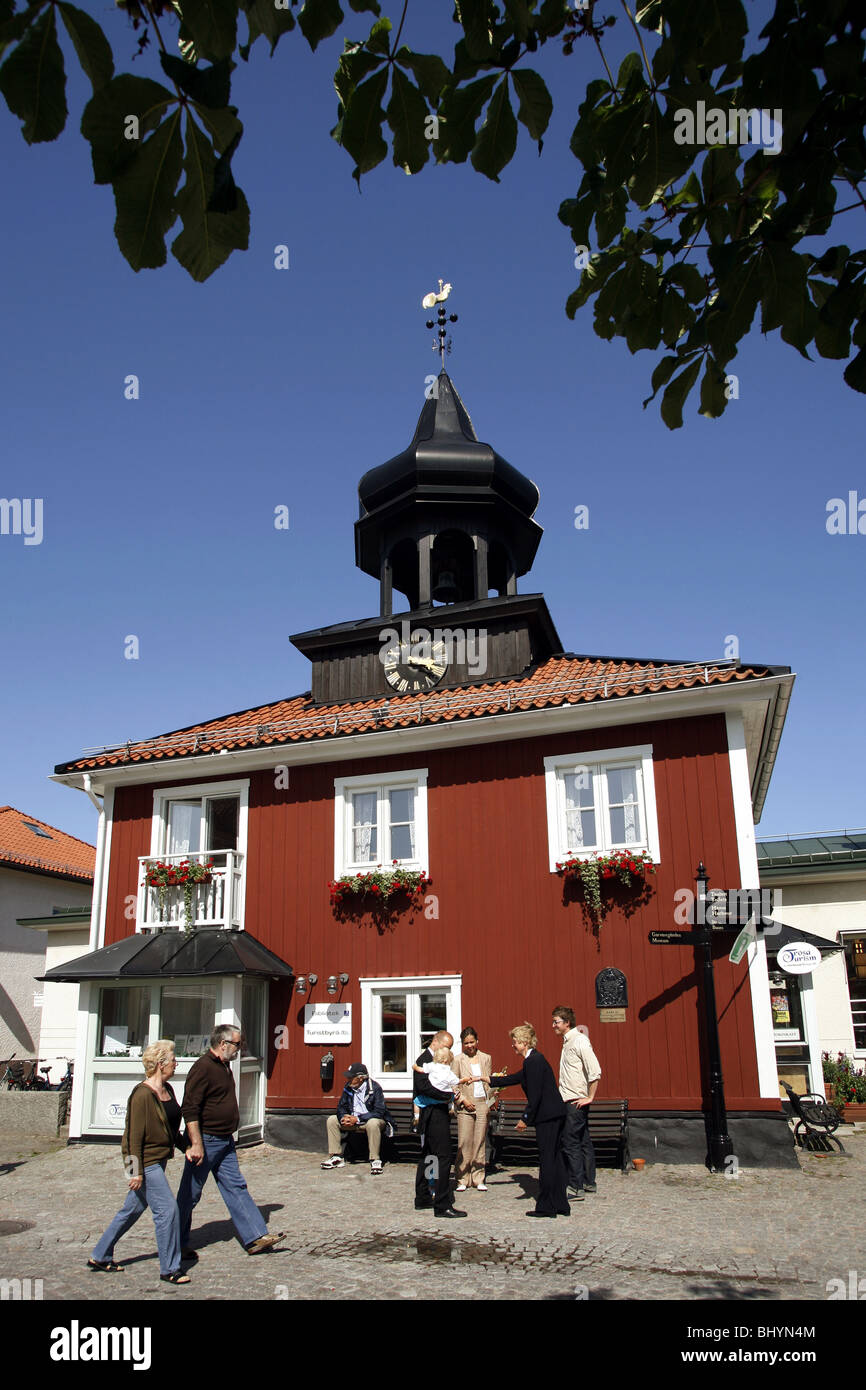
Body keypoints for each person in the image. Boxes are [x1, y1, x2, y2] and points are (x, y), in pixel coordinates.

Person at [89, 1039, 191, 1285]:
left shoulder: (168, 1090)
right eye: (173, 1060)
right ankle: (170, 1268)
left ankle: (100, 1254)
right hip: (146, 1163)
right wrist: (134, 1172)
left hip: (160, 1159)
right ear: (160, 1064)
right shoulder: (142, 1094)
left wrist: (186, 1147)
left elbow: (171, 1129)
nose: (176, 1064)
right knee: (167, 1211)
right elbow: (133, 1136)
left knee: (132, 1209)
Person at [177, 1024, 284, 1256]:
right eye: (237, 1044)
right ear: (223, 1044)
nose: (240, 1049)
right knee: (190, 1193)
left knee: (236, 1187)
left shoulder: (224, 1066)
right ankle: (174, 1241)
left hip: (225, 1141)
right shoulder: (202, 1068)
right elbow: (190, 1108)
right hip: (206, 1141)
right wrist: (196, 1144)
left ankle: (256, 1237)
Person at [488, 1022, 570, 1218]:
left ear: (524, 1043)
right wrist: (488, 1079)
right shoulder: (534, 1060)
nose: (513, 1046)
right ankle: (561, 1204)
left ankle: (546, 1207)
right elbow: (516, 1078)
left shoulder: (533, 1061)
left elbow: (535, 1096)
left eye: (515, 1042)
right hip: (556, 1114)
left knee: (548, 1160)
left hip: (547, 1117)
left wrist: (525, 1118)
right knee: (556, 1159)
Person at [413, 1029, 467, 1218]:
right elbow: (424, 1087)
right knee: (443, 1156)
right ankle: (442, 1204)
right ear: (436, 1042)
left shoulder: (434, 1062)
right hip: (434, 1113)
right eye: (446, 1047)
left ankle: (424, 1197)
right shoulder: (425, 1061)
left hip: (433, 1112)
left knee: (429, 1154)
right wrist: (448, 1096)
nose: (447, 1053)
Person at [552, 1005, 602, 1201]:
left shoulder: (579, 1041)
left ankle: (575, 1186)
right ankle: (589, 1182)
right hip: (571, 1099)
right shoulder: (567, 1042)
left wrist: (590, 1097)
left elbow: (595, 1070)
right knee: (583, 1141)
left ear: (567, 1022)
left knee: (571, 1142)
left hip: (575, 1101)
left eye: (556, 1022)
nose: (553, 1025)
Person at [321, 1063, 392, 1174]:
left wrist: (357, 1119)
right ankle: (336, 1157)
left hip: (370, 1120)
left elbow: (379, 1111)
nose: (348, 1079)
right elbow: (341, 1107)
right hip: (353, 1120)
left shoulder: (375, 1088)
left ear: (360, 1078)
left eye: (351, 1077)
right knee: (332, 1120)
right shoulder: (348, 1087)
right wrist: (344, 1117)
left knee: (373, 1123)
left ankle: (375, 1159)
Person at [453, 1026, 495, 1192]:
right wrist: (462, 1100)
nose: (469, 1045)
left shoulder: (486, 1058)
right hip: (465, 1105)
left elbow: (489, 1082)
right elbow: (453, 1084)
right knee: (464, 1142)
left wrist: (489, 1101)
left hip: (481, 1103)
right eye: (466, 1043)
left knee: (480, 1141)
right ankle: (462, 1177)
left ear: (477, 1041)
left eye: (472, 1042)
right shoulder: (458, 1060)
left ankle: (478, 1177)